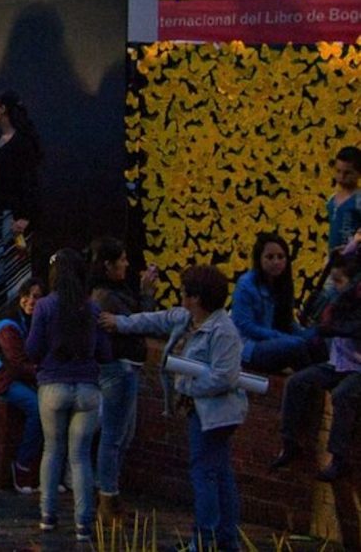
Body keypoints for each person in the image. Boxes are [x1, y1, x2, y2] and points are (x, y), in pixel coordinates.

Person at [102, 265, 247, 552]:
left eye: (185, 292)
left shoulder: (223, 331)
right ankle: (226, 539)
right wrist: (119, 322)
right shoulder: (186, 320)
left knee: (205, 473)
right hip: (202, 410)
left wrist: (186, 387)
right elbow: (155, 320)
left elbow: (224, 376)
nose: (181, 296)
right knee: (218, 472)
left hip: (216, 414)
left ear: (197, 298)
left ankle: (205, 539)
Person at [25, 247, 110, 542]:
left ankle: (48, 516)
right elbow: (104, 352)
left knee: (52, 450)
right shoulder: (92, 309)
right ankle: (83, 524)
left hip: (53, 384)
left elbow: (32, 348)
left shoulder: (46, 307)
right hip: (87, 388)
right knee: (81, 457)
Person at [272, 249, 361, 482]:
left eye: (339, 282)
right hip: (338, 363)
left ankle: (338, 458)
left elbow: (351, 328)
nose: (334, 287)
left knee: (343, 395)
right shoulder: (338, 303)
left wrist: (329, 327)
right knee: (297, 382)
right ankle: (290, 441)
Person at [88, 236, 158, 524]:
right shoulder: (106, 297)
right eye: (123, 260)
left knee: (122, 436)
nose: (127, 265)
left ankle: (108, 494)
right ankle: (107, 498)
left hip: (126, 367)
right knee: (114, 437)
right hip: (118, 368)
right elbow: (141, 323)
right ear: (108, 264)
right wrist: (147, 295)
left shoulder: (116, 292)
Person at [0, 278, 43, 494]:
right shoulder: (8, 324)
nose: (32, 301)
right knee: (37, 409)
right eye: (28, 296)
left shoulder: (33, 320)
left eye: (38, 297)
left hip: (24, 377)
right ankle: (22, 465)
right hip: (2, 379)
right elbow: (16, 363)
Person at [0, 90, 41, 322]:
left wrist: (25, 216)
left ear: (3, 109)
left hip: (15, 217)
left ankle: (16, 322)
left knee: (16, 271)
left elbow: (29, 182)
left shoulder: (23, 143)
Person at [232, 232, 315, 374]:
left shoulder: (284, 283)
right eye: (270, 257)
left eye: (281, 257)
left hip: (277, 339)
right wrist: (279, 336)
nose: (276, 262)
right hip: (249, 347)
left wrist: (305, 333)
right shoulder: (246, 284)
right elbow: (245, 326)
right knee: (296, 346)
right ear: (259, 259)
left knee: (316, 339)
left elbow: (287, 322)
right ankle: (310, 387)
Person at [327, 147, 361, 252]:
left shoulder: (358, 199)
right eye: (338, 171)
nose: (341, 176)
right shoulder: (332, 199)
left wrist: (352, 245)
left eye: (347, 173)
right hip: (335, 259)